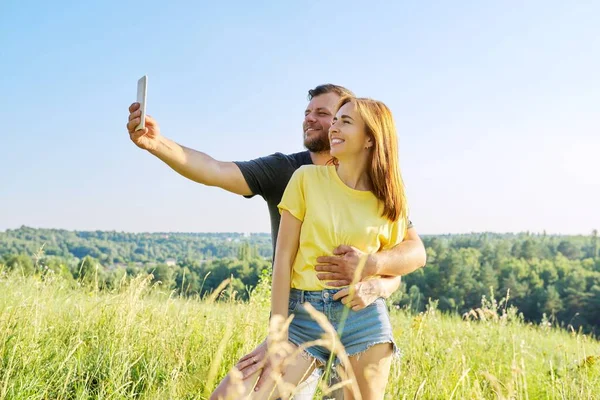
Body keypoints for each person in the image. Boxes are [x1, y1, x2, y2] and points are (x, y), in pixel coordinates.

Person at [126, 84, 427, 399]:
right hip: (302, 315)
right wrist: (156, 142)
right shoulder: (295, 172)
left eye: (330, 115)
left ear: (370, 136)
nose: (319, 121)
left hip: (363, 321)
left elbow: (409, 255)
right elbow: (215, 170)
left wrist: (375, 278)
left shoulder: (386, 195)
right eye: (312, 114)